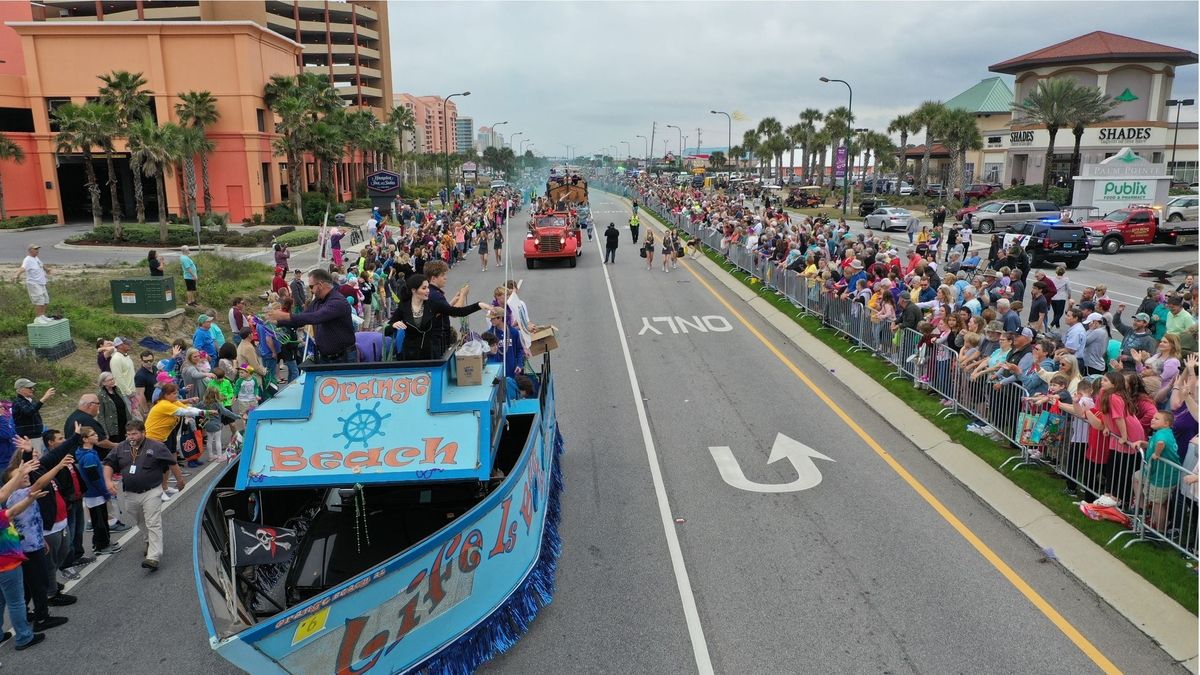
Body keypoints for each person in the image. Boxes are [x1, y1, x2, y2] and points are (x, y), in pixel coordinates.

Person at [104, 421, 180, 572]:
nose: (131, 437)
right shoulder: (121, 447)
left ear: (143, 433)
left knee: (153, 522)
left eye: (135, 434)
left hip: (152, 491)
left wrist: (180, 480)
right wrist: (108, 481)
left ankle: (153, 557)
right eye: (129, 434)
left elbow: (172, 463)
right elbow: (109, 464)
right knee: (140, 520)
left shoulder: (156, 446)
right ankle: (148, 541)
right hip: (130, 493)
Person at [0, 457, 52, 651]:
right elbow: (6, 499)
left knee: (2, 600)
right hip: (6, 561)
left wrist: (30, 498)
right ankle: (23, 636)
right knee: (16, 601)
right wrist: (21, 473)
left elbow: (10, 510)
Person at [384, 269, 489, 361]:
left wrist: (478, 305)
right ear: (414, 290)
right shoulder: (404, 307)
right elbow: (386, 330)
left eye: (428, 287)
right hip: (409, 357)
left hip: (431, 356)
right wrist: (393, 325)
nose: (428, 291)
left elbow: (457, 312)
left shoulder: (433, 305)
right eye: (424, 288)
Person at [267, 269, 356, 364]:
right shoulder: (318, 301)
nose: (311, 290)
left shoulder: (337, 301)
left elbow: (316, 317)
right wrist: (277, 322)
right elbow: (302, 318)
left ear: (321, 285)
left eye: (311, 286)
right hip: (325, 357)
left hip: (342, 357)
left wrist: (286, 316)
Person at [12, 378, 53, 451]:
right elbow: (29, 411)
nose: (32, 389)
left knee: (38, 459)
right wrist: (44, 398)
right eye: (29, 388)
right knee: (34, 460)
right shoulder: (18, 401)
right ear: (20, 389)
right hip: (28, 438)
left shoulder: (29, 401)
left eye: (32, 387)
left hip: (35, 436)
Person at [15, 244, 51, 323]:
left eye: (38, 249)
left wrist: (47, 270)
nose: (37, 251)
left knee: (45, 300)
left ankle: (42, 316)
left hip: (41, 283)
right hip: (34, 283)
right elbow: (23, 268)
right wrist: (17, 274)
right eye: (35, 249)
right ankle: (38, 318)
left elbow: (41, 264)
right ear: (30, 250)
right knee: (39, 300)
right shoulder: (27, 259)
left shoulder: (36, 258)